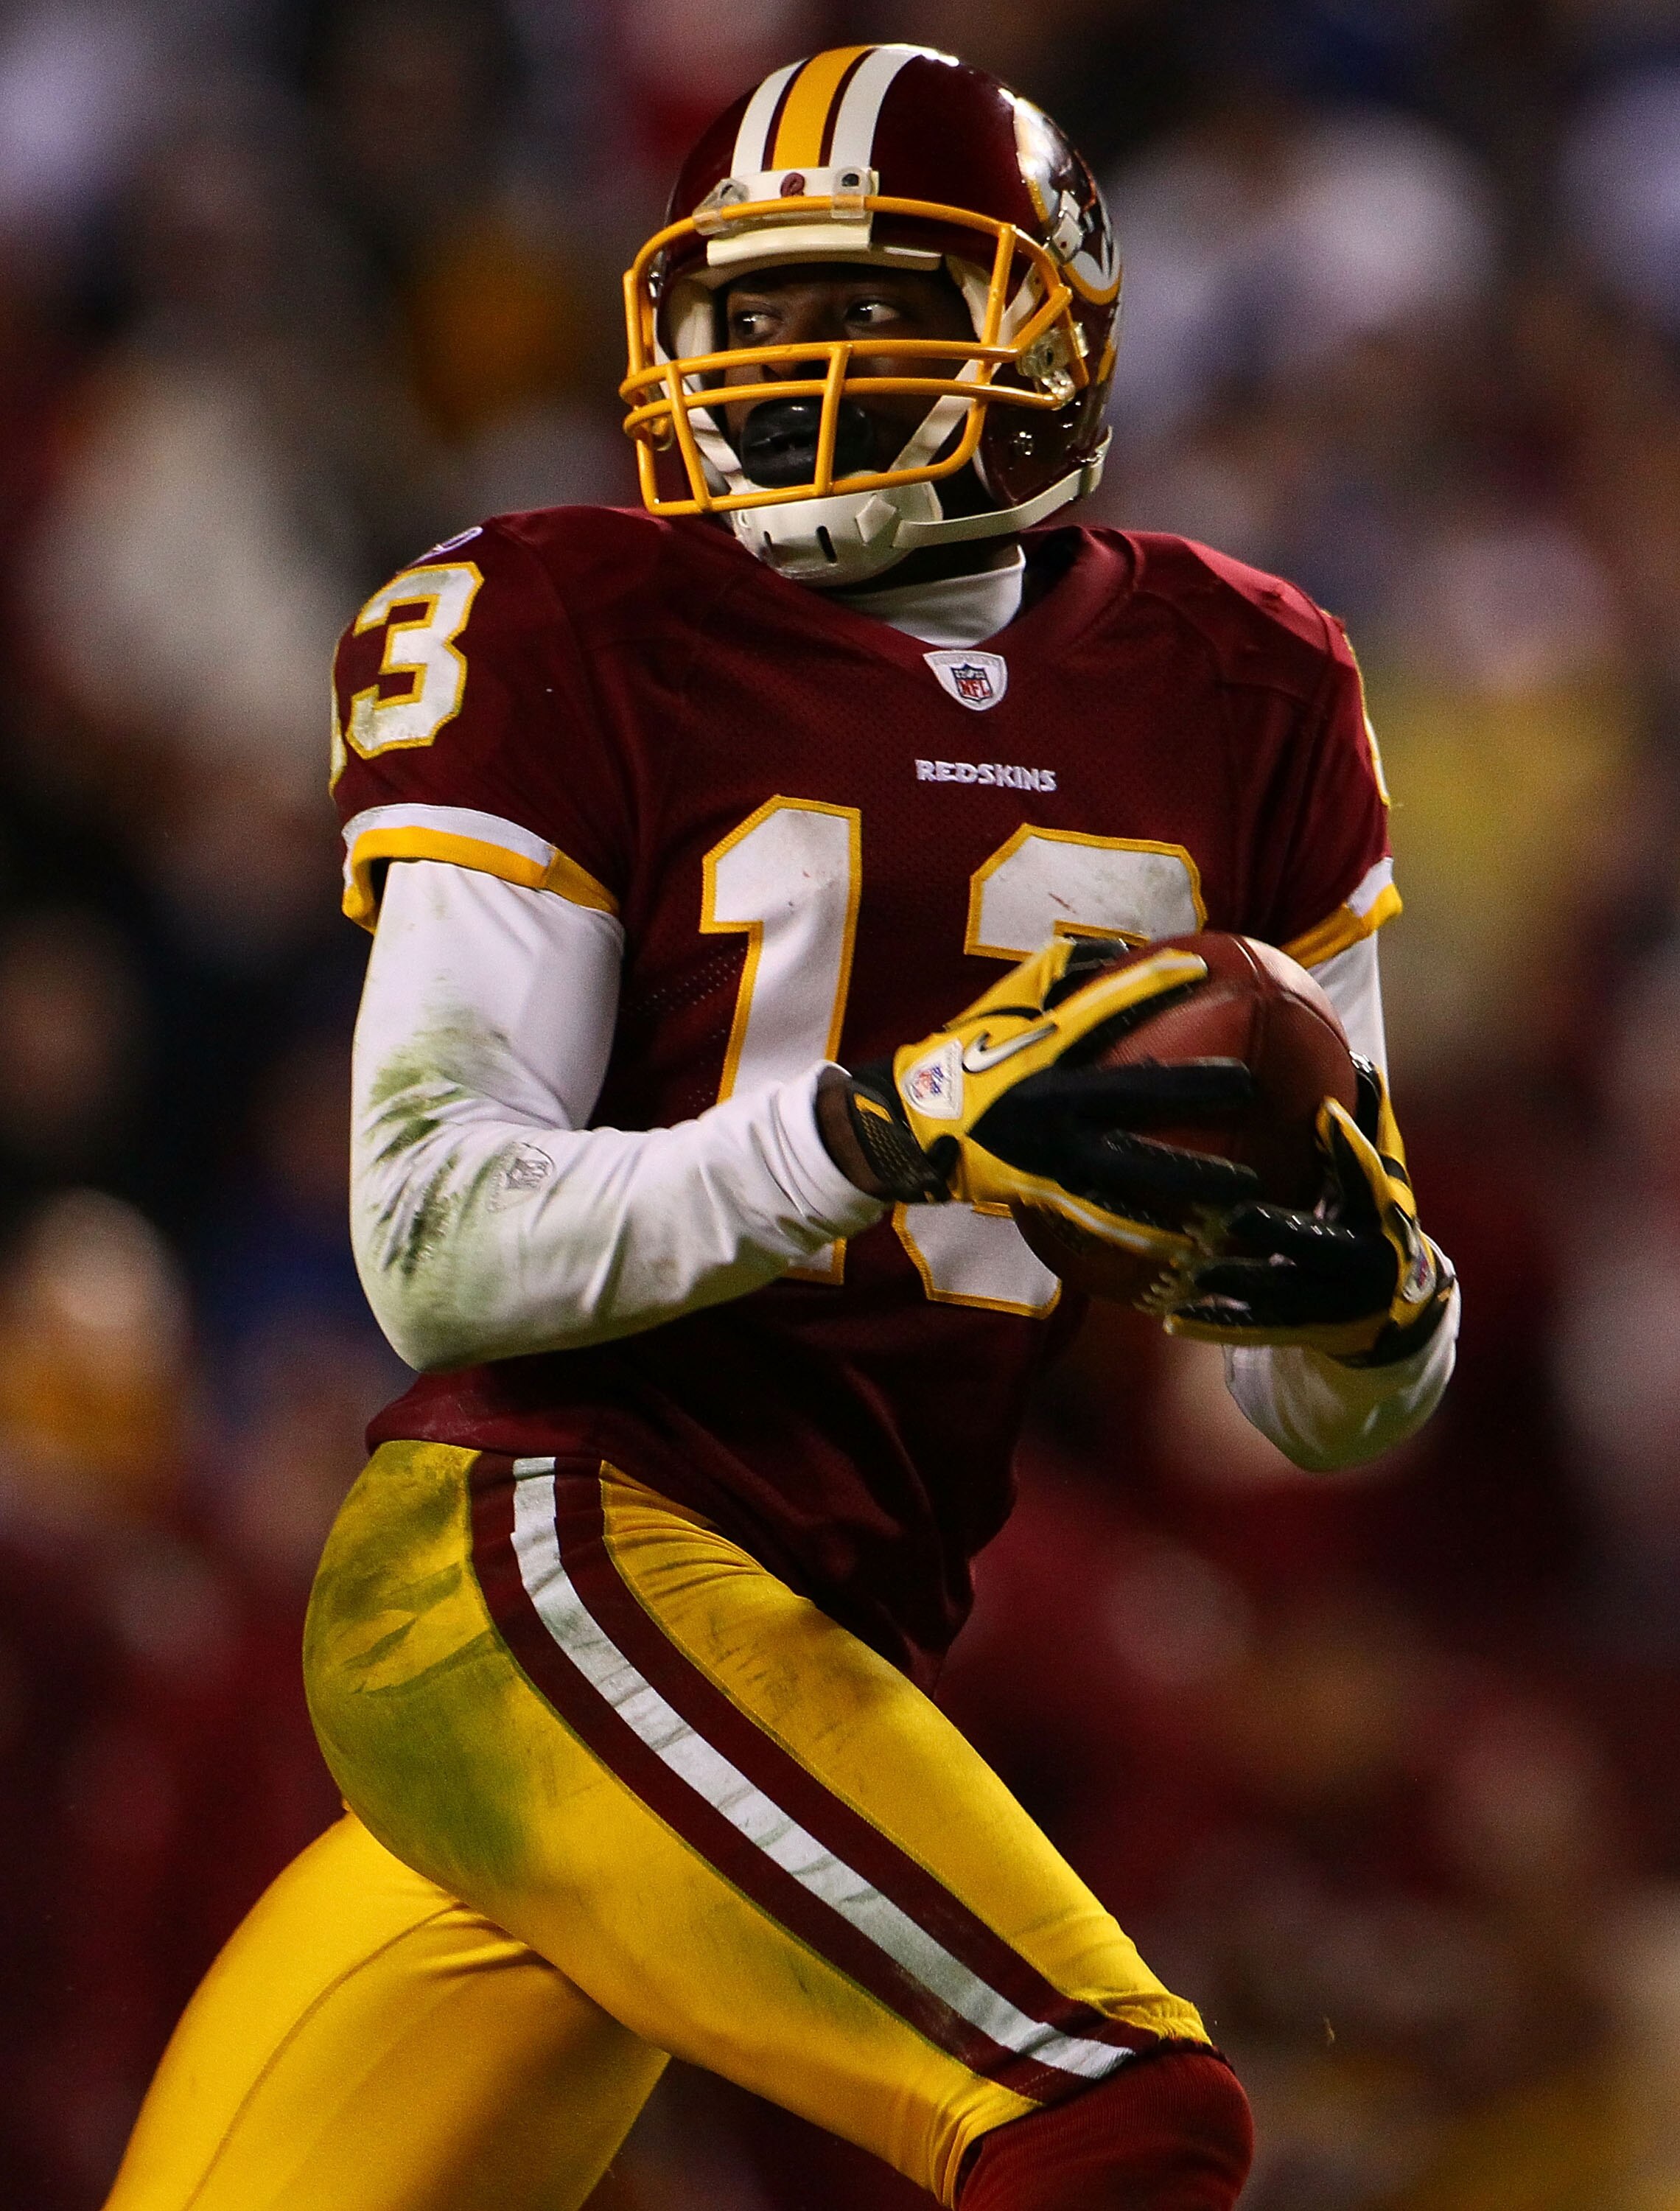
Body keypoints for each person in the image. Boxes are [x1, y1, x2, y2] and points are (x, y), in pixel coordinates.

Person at [105, 43, 1458, 2211]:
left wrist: (1386, 1317)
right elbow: (433, 1242)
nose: (797, 362)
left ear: (1050, 331)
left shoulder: (1251, 685)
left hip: (814, 1617)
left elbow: (1308, 1412)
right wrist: (885, 1132)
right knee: (1117, 2121)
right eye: (758, 309)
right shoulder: (571, 619)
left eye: (873, 303)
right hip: (541, 1552)